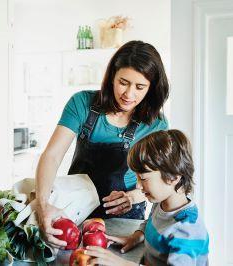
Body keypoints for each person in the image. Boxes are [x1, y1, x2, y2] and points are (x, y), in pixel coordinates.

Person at [35, 40, 170, 248]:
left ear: (151, 88)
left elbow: (157, 180)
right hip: (75, 208)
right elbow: (52, 156)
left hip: (125, 215)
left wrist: (132, 197)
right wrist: (43, 205)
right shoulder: (81, 104)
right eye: (123, 82)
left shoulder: (156, 124)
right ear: (111, 77)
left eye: (140, 87)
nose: (129, 94)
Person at [85, 129, 209, 266]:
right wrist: (136, 237)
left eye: (143, 178)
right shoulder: (161, 203)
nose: (138, 185)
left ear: (173, 177)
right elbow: (151, 223)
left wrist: (123, 264)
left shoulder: (187, 231)